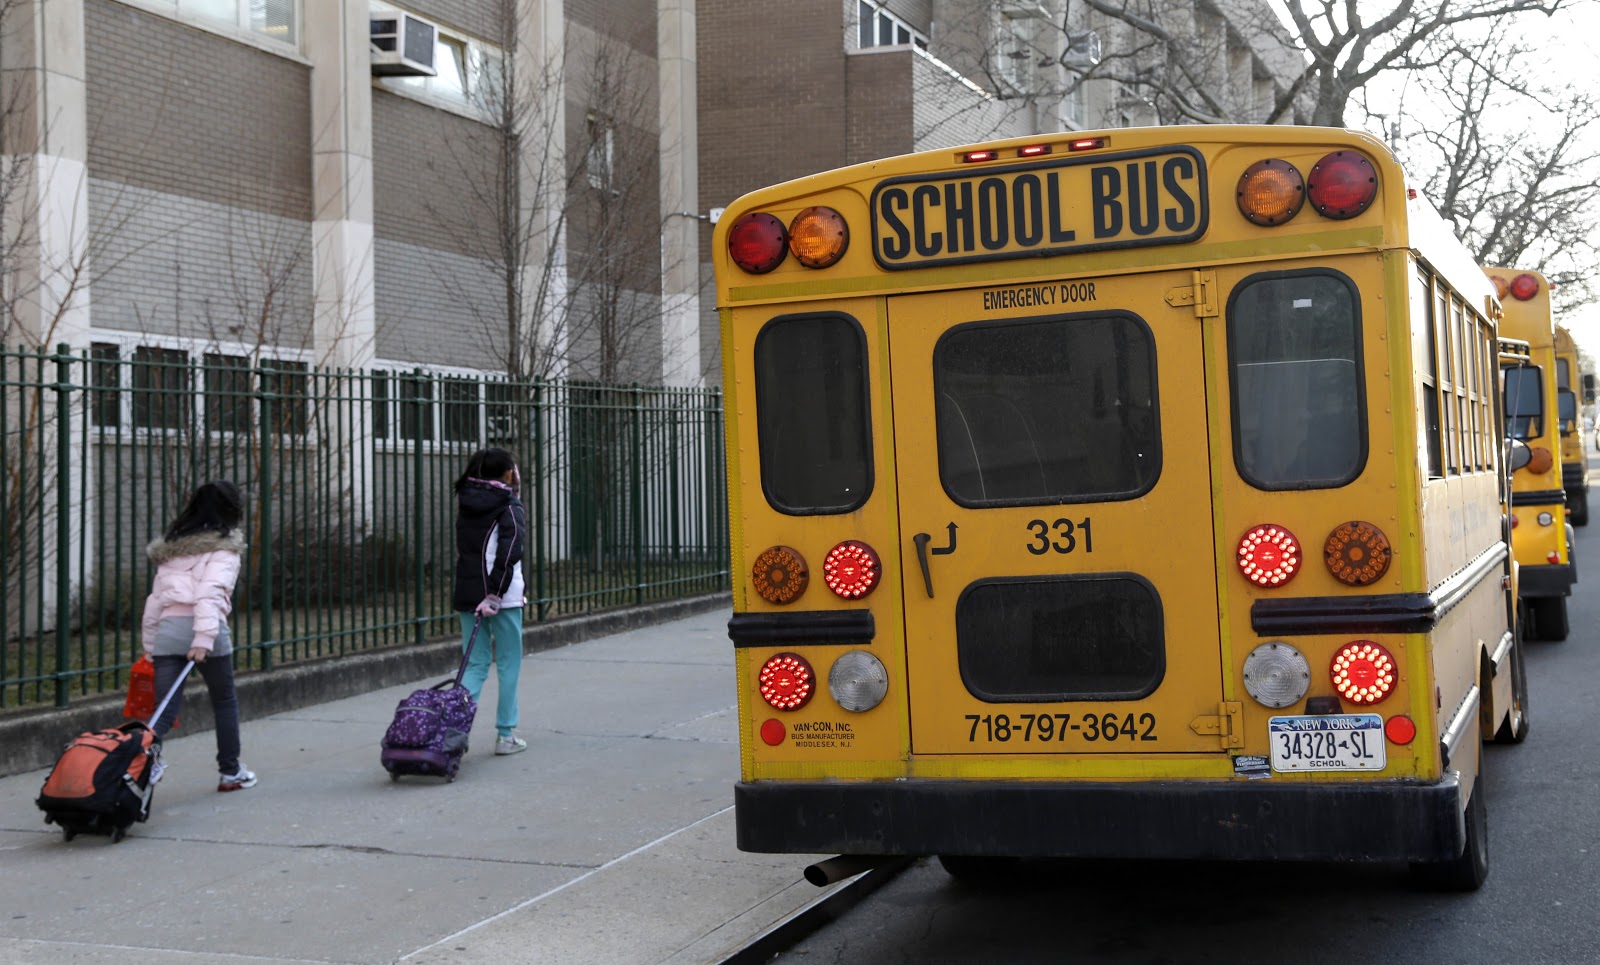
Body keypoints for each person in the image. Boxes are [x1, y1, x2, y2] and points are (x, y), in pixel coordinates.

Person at [140, 479, 256, 791]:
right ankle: (231, 772)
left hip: (167, 632)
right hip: (206, 632)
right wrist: (203, 639)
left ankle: (141, 767)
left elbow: (155, 600)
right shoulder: (225, 549)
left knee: (164, 708)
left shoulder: (172, 549)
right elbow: (210, 594)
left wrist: (152, 645)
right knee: (224, 700)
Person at [452, 447, 529, 755]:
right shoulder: (509, 505)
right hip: (503, 597)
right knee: (509, 662)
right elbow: (509, 553)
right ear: (508, 474)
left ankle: (453, 733)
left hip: (469, 594)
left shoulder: (467, 502)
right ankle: (506, 734)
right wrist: (496, 594)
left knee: (474, 662)